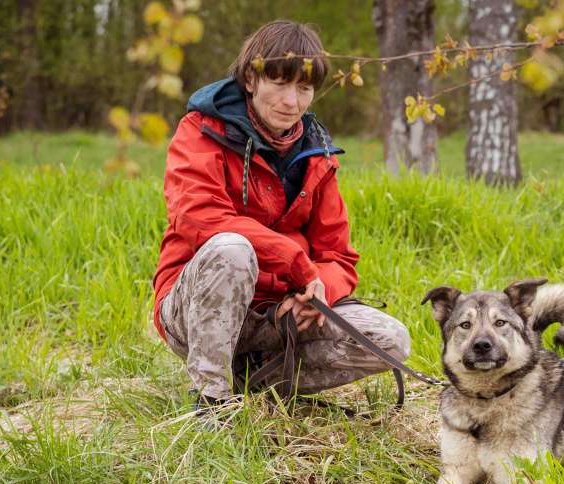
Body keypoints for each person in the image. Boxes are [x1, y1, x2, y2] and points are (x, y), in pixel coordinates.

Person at [151, 20, 410, 415]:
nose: (292, 101)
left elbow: (338, 256)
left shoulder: (317, 155)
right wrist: (296, 264)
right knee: (232, 249)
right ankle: (211, 400)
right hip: (196, 311)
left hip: (281, 318)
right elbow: (198, 217)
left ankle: (256, 382)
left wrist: (313, 291)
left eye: (303, 88)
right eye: (280, 83)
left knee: (391, 340)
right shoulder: (200, 132)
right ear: (252, 79)